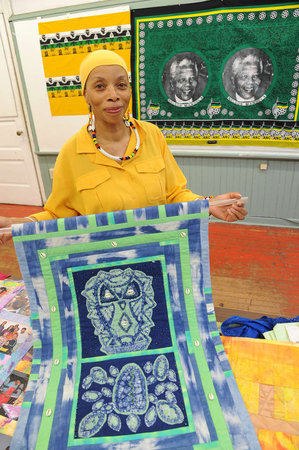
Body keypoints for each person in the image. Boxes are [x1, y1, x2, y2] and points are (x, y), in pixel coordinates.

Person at [0, 50, 247, 244]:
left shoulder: (151, 136)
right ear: (84, 94)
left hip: (158, 249)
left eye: (121, 85)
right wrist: (15, 223)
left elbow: (174, 194)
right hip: (103, 261)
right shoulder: (72, 152)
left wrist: (210, 204)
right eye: (100, 86)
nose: (113, 95)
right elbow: (57, 215)